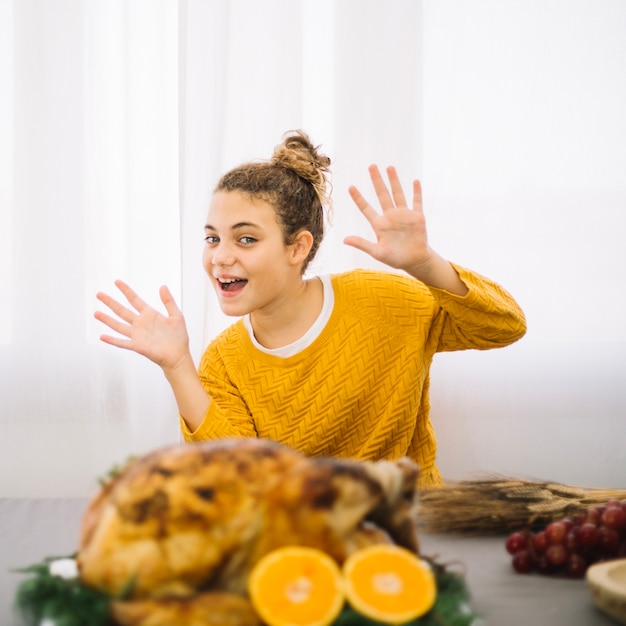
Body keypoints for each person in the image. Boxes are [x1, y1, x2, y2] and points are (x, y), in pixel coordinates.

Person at [95, 130, 526, 488]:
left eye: (245, 238)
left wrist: (424, 264)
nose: (220, 257)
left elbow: (505, 326)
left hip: (411, 524)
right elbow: (240, 482)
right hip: (300, 537)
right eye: (212, 238)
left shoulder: (387, 302)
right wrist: (177, 366)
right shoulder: (223, 363)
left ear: (298, 247)